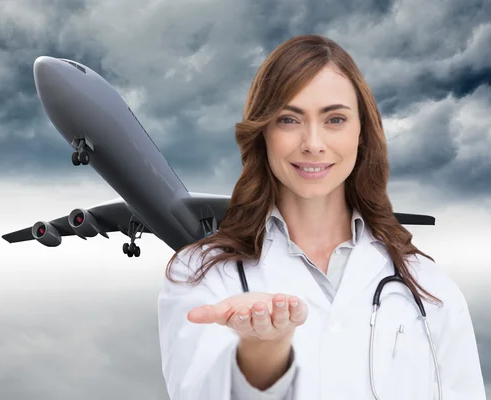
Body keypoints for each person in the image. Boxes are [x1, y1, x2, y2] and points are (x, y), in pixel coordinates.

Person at [157, 34, 486, 400]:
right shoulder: (201, 276)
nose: (313, 143)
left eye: (334, 119)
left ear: (362, 131)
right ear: (262, 132)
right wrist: (262, 351)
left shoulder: (429, 287)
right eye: (288, 119)